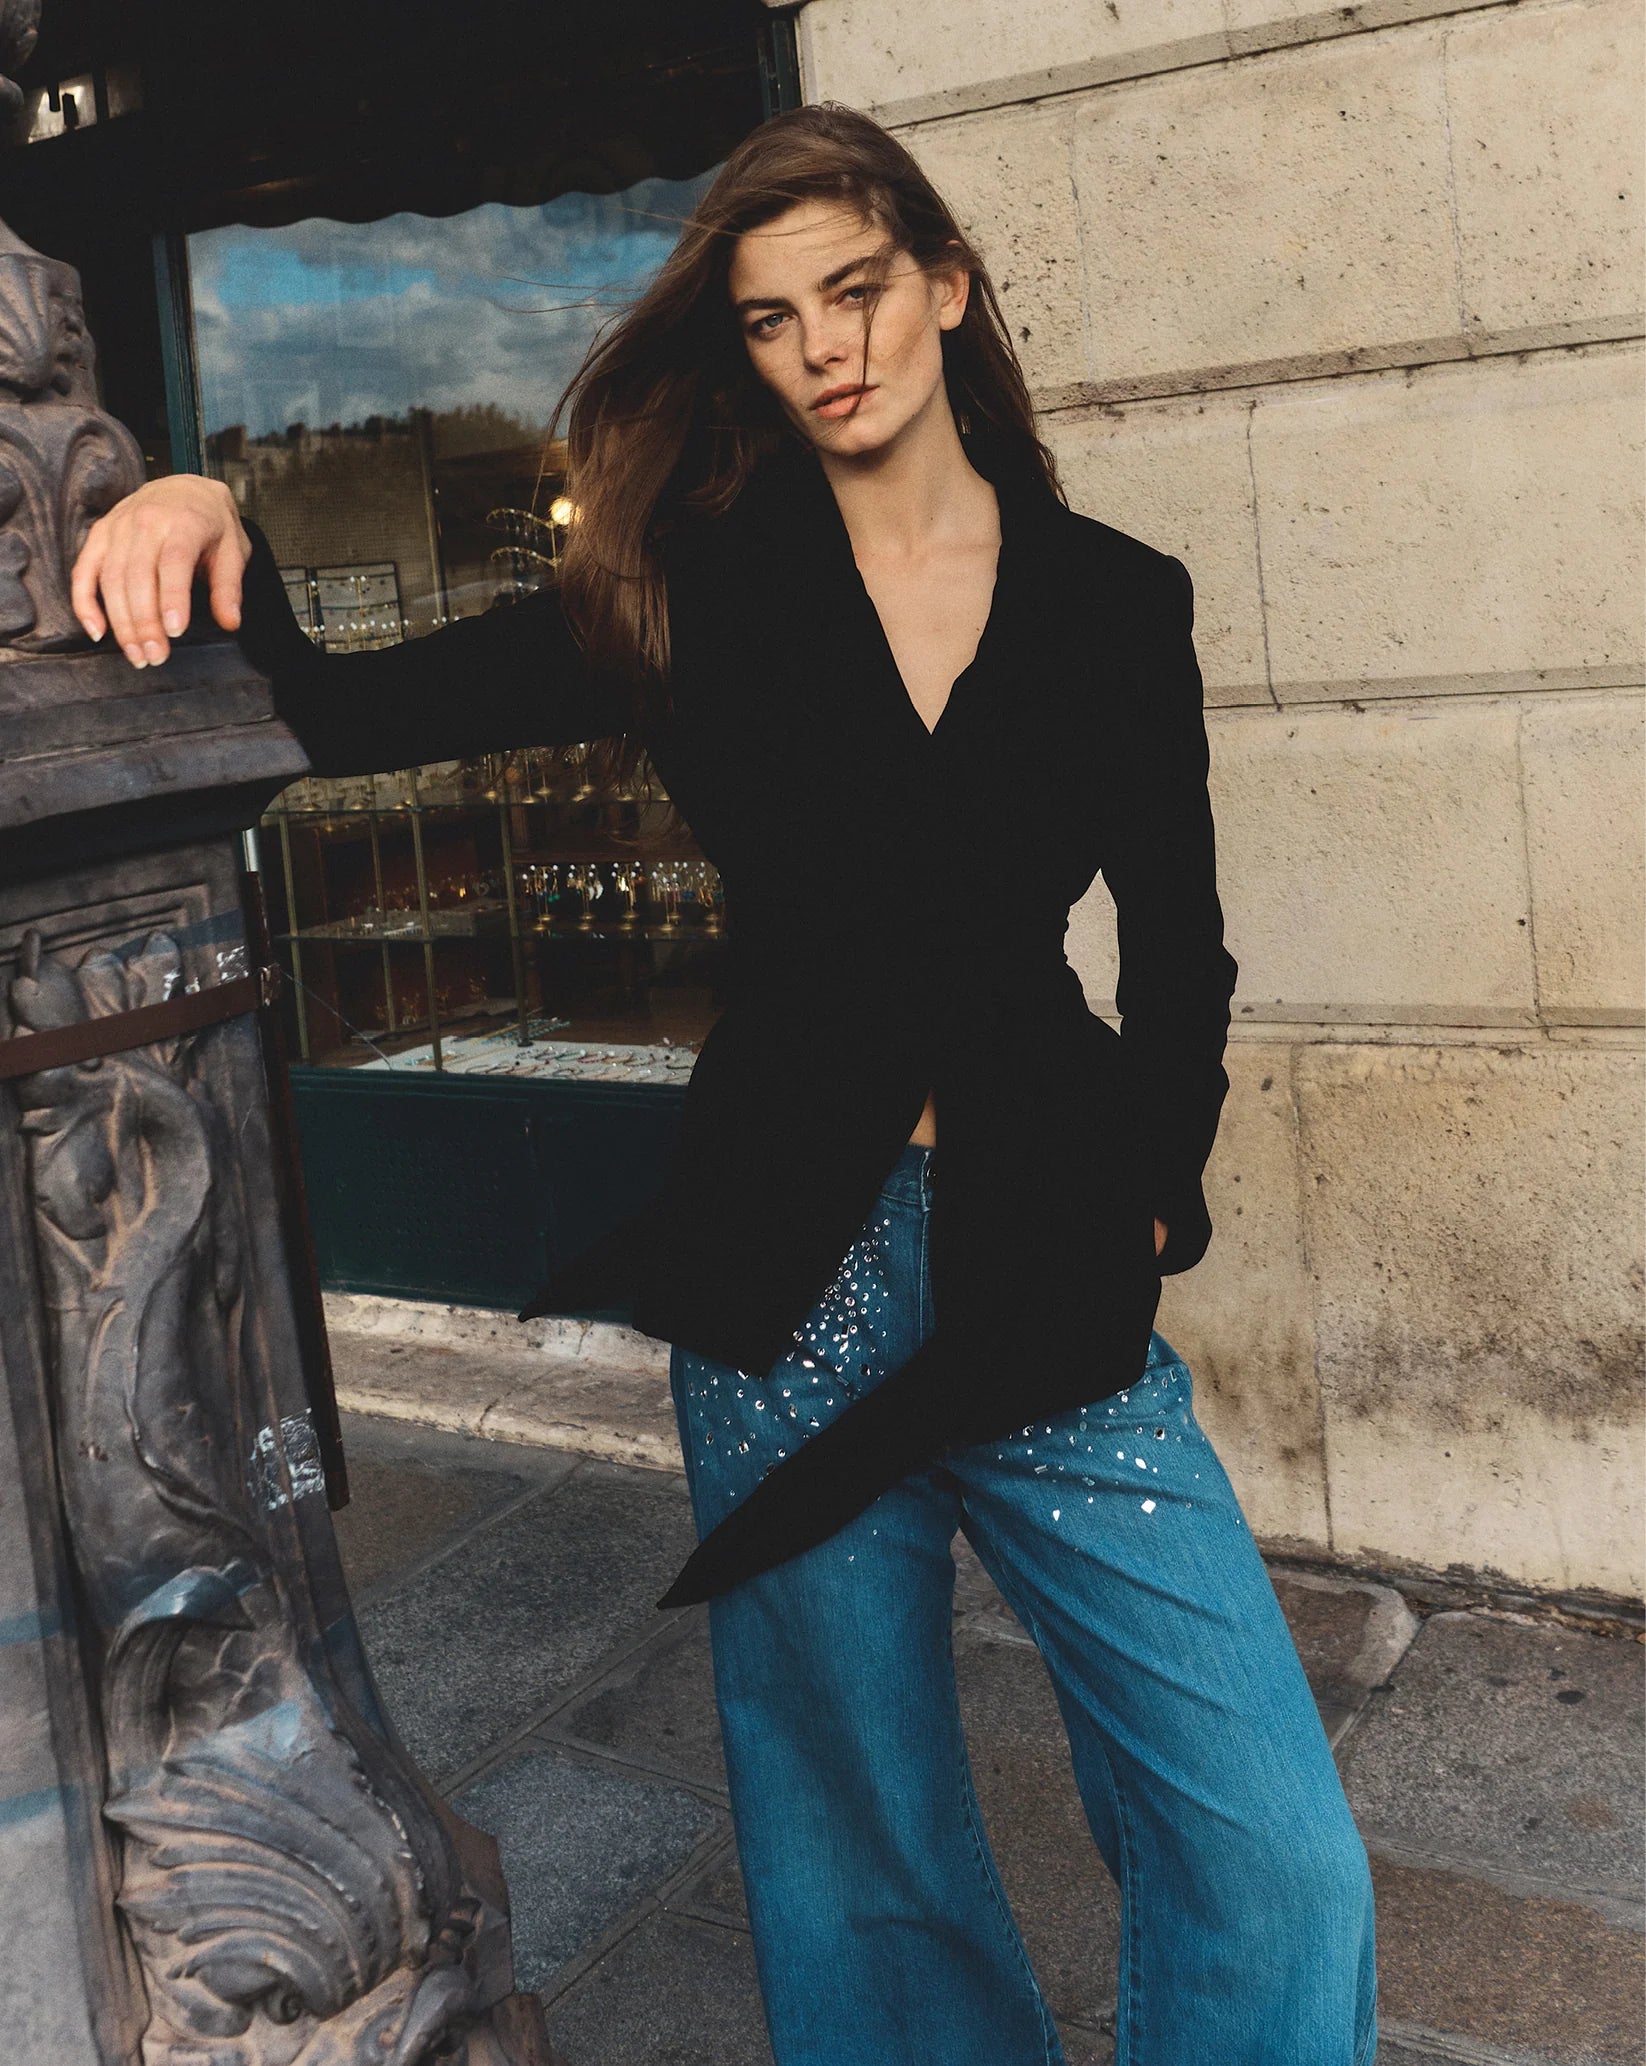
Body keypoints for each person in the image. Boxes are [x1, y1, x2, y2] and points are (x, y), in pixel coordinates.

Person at [72, 101, 1377, 2066]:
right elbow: (352, 712)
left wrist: (1151, 1191)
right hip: (787, 1281)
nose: (826, 346)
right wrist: (202, 500)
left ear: (945, 287)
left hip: (1047, 1261)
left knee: (1272, 1845)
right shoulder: (695, 588)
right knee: (862, 1848)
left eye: (856, 290)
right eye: (773, 319)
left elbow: (1181, 954)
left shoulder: (1116, 602)